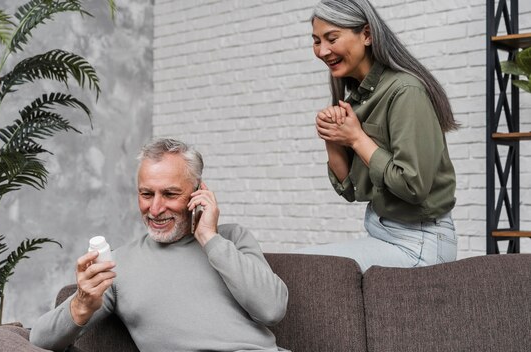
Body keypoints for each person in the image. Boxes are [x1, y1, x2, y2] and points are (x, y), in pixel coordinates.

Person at [30, 138, 289, 352]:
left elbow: (272, 309)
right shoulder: (117, 265)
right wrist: (81, 304)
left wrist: (210, 239)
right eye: (146, 194)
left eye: (169, 194)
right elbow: (38, 340)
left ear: (199, 192)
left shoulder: (232, 238)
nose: (155, 209)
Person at [294, 0, 458, 272]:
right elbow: (350, 191)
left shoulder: (405, 91)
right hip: (382, 234)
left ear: (367, 35)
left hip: (418, 242)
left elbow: (413, 186)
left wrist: (357, 138)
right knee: (302, 267)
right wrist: (333, 139)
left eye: (331, 38)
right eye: (315, 41)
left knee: (306, 269)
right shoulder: (358, 98)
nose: (322, 51)